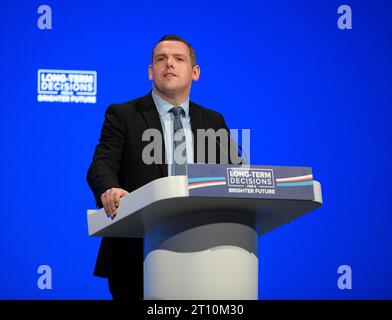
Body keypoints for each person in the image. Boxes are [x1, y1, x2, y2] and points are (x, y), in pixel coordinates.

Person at [87, 35, 241, 300]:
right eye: (161, 59)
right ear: (150, 71)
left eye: (178, 59)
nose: (169, 64)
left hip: (206, 254)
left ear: (195, 72)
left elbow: (234, 174)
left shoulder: (214, 120)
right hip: (135, 255)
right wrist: (109, 188)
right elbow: (102, 163)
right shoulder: (123, 114)